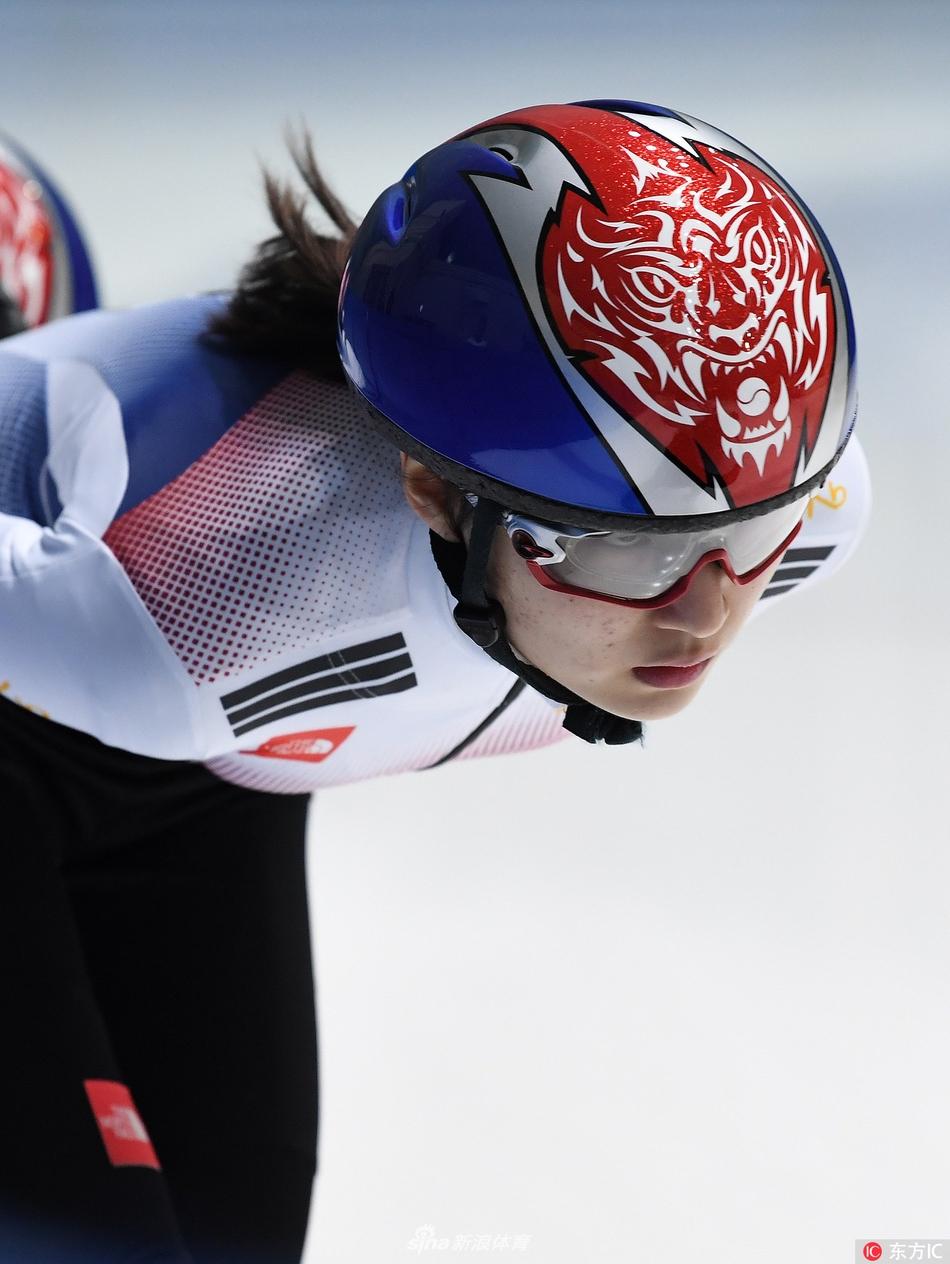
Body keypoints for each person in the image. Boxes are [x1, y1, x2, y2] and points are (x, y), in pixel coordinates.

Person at [0, 102, 869, 1263]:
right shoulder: (192, 616)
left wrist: (689, 530)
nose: (707, 609)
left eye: (747, 531)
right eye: (621, 548)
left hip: (202, 784)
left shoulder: (813, 509)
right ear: (430, 491)